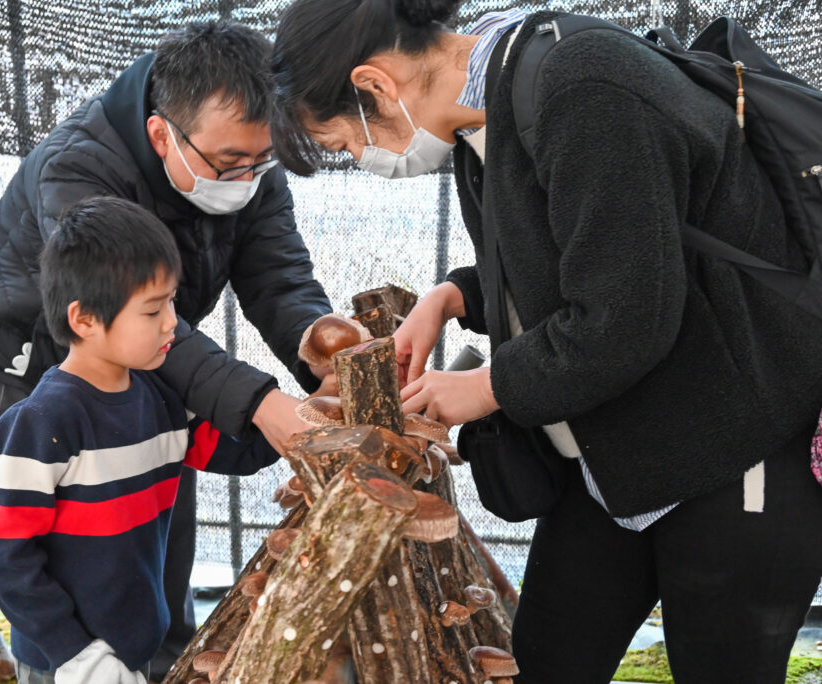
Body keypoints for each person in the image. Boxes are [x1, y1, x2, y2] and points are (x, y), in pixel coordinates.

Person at [269, 1, 822, 682]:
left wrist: (483, 387)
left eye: (343, 145)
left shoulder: (580, 84)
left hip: (737, 441)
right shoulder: (490, 108)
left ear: (375, 84)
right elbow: (582, 244)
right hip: (611, 455)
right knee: (549, 659)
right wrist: (454, 297)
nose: (362, 159)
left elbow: (625, 317)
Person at [0, 21, 331, 676]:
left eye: (260, 161)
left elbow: (277, 276)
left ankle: (154, 656)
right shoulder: (78, 169)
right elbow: (13, 558)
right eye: (228, 165)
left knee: (150, 514)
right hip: (37, 365)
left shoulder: (241, 152)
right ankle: (80, 658)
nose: (247, 178)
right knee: (72, 543)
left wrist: (317, 344)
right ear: (163, 134)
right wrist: (261, 402)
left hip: (147, 365)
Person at [0, 197, 280, 684]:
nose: (171, 323)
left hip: (136, 644)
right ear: (84, 320)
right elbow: (9, 558)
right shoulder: (41, 422)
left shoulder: (162, 400)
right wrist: (77, 656)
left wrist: (303, 415)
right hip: (64, 663)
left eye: (172, 302)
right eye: (152, 310)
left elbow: (240, 452)